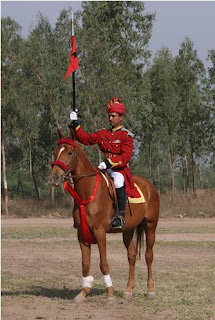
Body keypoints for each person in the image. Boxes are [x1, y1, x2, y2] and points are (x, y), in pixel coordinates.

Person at [69, 97, 138, 229]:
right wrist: (75, 124)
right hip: (104, 168)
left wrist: (109, 162)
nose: (110, 118)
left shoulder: (126, 136)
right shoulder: (103, 133)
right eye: (109, 116)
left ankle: (120, 216)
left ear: (121, 117)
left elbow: (125, 157)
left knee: (118, 182)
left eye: (113, 116)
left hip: (119, 169)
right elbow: (86, 139)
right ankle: (78, 215)